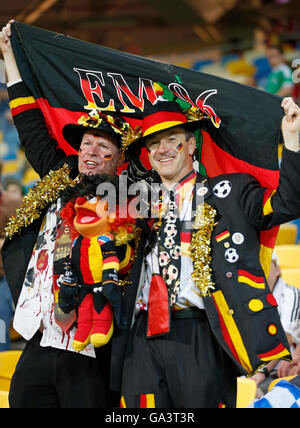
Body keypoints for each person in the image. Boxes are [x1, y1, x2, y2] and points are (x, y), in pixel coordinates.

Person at [113, 84, 300, 408]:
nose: (163, 149)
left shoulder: (230, 191)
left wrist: (293, 139)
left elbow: (287, 203)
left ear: (191, 146)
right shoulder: (135, 205)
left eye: (172, 140)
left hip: (200, 330)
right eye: (155, 143)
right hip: (141, 335)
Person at [0, 21, 127, 408]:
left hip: (91, 344)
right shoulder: (60, 176)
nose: (92, 152)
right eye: (87, 144)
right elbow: (30, 127)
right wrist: (9, 58)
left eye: (104, 148)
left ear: (121, 161)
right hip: (42, 334)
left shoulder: (126, 199)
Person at [250, 252, 300, 394]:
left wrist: (262, 372)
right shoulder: (250, 296)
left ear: (277, 270)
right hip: (251, 367)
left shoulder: (291, 294)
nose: (260, 268)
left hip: (278, 369)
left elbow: (286, 338)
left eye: (266, 262)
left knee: (254, 394)